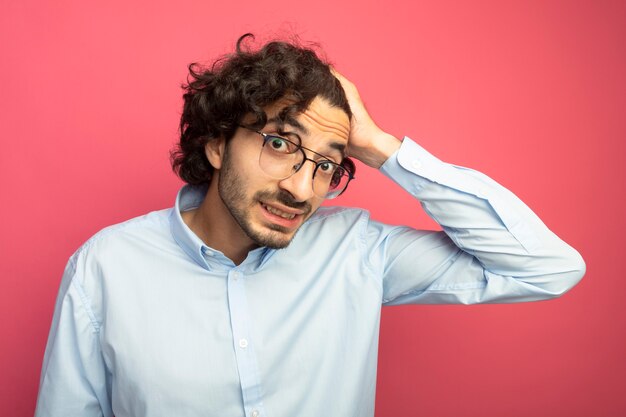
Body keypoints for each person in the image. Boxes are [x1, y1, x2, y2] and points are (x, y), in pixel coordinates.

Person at [34, 34, 585, 417]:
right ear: (218, 142)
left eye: (325, 163)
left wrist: (376, 145)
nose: (302, 188)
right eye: (280, 144)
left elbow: (548, 268)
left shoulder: (357, 251)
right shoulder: (105, 268)